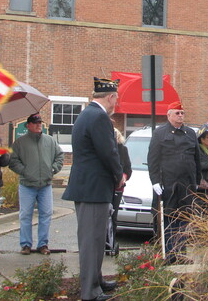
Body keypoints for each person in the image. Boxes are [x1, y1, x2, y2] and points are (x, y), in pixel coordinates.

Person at [62, 77, 124, 301]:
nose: (117, 102)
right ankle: (90, 292)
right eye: (116, 97)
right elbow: (108, 152)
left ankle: (96, 282)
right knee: (91, 242)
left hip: (89, 187)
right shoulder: (99, 117)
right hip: (94, 187)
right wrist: (119, 176)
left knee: (96, 239)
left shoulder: (88, 114)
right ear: (110, 97)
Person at [148, 101, 202, 264]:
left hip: (187, 183)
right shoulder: (160, 133)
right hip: (169, 182)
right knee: (170, 217)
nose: (180, 116)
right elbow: (153, 159)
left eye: (182, 113)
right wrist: (155, 181)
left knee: (185, 218)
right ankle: (170, 254)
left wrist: (197, 180)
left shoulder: (190, 133)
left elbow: (196, 158)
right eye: (177, 113)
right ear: (169, 115)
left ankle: (182, 253)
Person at [9, 113, 64, 256]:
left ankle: (43, 244)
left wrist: (53, 169)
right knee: (25, 215)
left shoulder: (50, 141)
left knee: (46, 214)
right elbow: (13, 161)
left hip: (45, 185)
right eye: (35, 123)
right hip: (27, 185)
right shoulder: (20, 143)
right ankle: (26, 244)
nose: (38, 125)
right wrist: (25, 171)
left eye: (40, 122)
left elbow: (59, 156)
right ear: (28, 125)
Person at [106, 127, 132, 257]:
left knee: (113, 216)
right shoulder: (105, 149)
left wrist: (123, 177)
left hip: (118, 187)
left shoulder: (123, 149)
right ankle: (102, 242)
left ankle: (111, 241)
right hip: (105, 187)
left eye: (116, 135)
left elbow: (128, 168)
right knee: (103, 215)